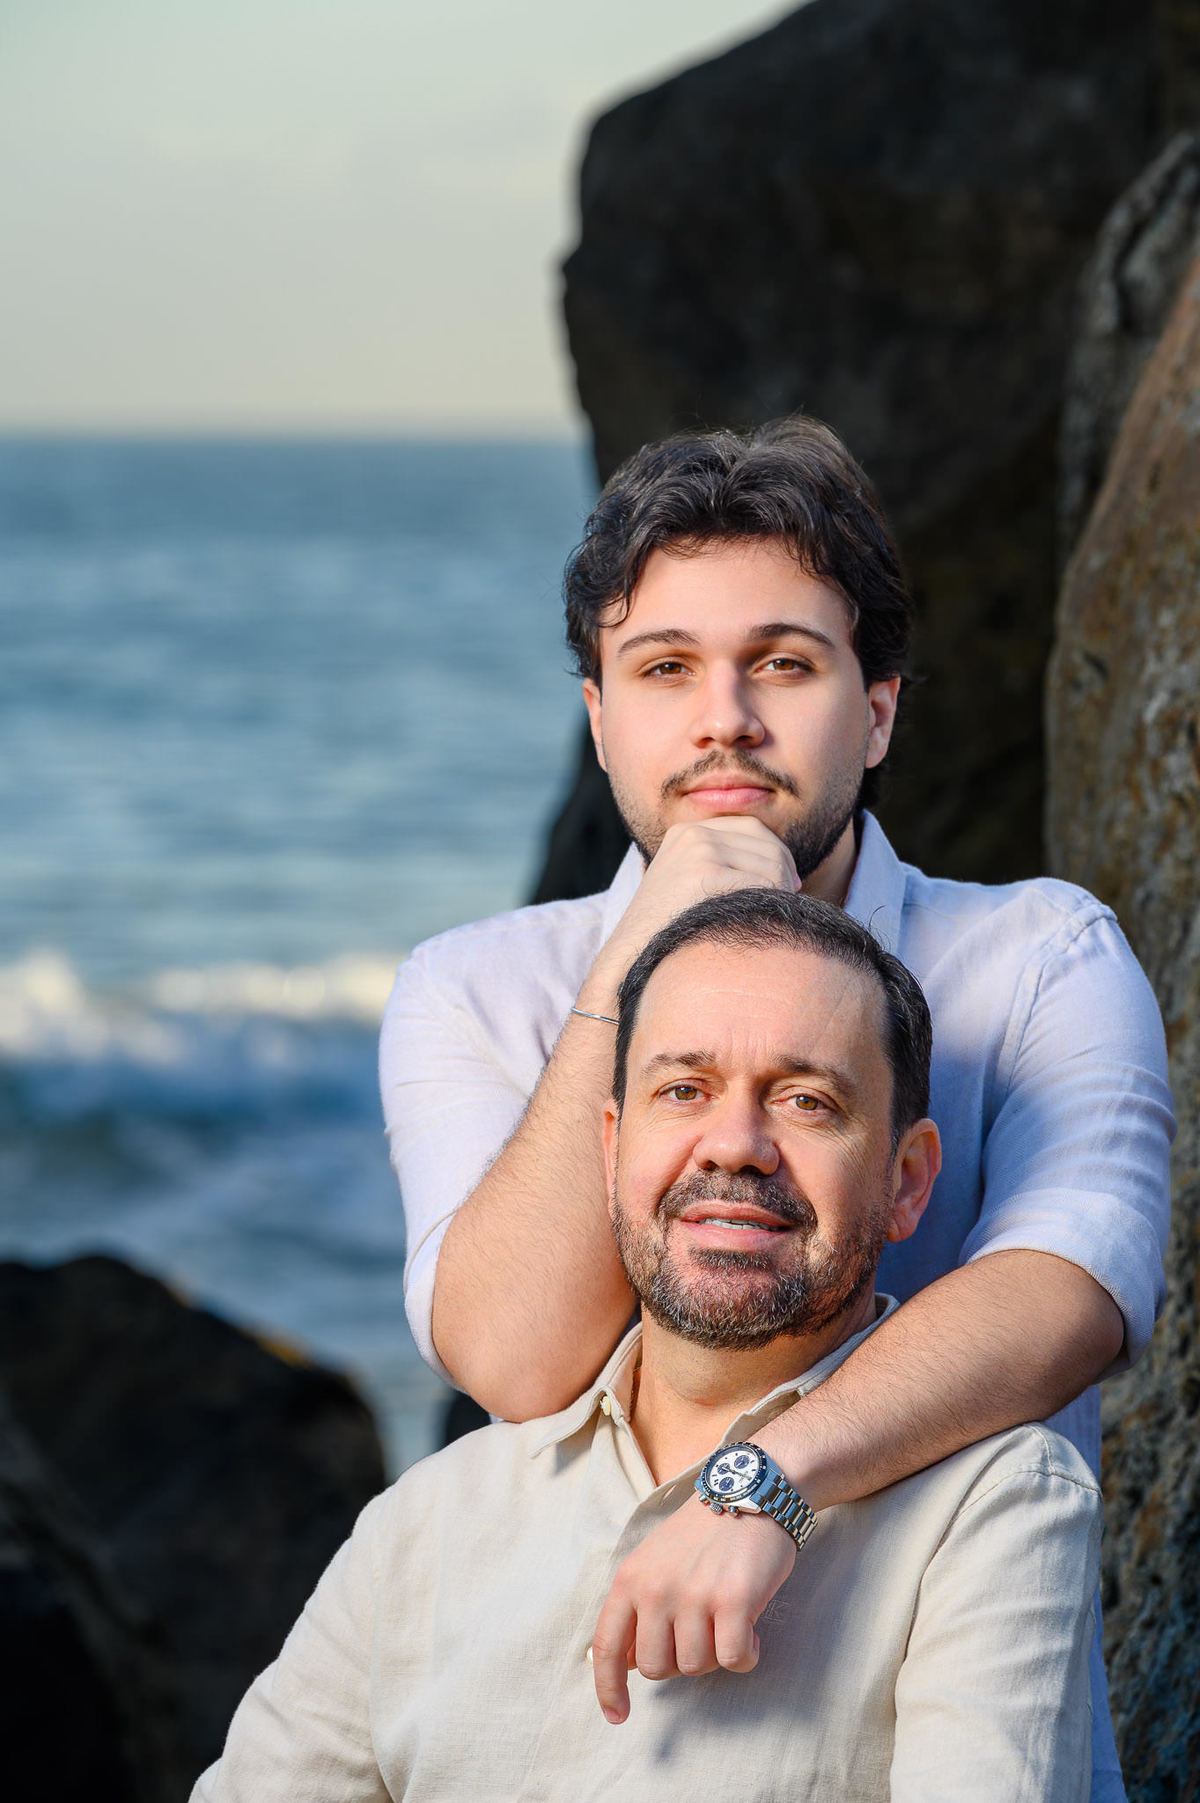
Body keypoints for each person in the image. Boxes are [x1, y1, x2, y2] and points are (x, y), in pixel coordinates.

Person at [380, 418, 1172, 1799]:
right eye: (664, 668)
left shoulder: (1043, 959)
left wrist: (767, 1481)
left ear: (878, 710)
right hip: (576, 1744)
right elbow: (509, 1356)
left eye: (785, 663)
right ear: (599, 720)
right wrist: (642, 958)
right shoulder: (477, 991)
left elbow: (1070, 1293)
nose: (724, 718)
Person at [199, 893, 1102, 1801]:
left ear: (906, 1181)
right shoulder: (429, 1521)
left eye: (806, 1100)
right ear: (611, 1150)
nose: (736, 1146)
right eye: (684, 1090)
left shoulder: (996, 1506)